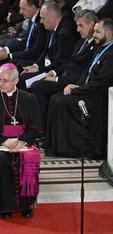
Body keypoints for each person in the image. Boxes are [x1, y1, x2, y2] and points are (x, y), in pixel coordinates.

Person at [0, 64, 43, 219]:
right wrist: (4, 141)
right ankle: (3, 205)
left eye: (5, 81)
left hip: (24, 142)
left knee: (27, 159)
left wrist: (21, 142)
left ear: (16, 81)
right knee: (1, 160)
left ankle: (26, 204)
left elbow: (36, 126)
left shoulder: (29, 99)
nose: (1, 84)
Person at [46, 18, 113, 160]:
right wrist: (75, 85)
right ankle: (53, 145)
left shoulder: (111, 54)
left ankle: (72, 149)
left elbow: (101, 83)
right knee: (56, 98)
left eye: (97, 32)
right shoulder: (100, 49)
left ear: (109, 33)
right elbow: (86, 73)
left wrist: (77, 90)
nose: (93, 34)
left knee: (62, 102)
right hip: (88, 91)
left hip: (99, 98)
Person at [30, 10, 98, 128]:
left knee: (38, 86)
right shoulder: (82, 41)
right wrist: (53, 72)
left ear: (91, 24)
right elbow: (70, 62)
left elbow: (83, 73)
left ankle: (41, 129)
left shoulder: (96, 46)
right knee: (34, 82)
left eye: (80, 25)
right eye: (77, 25)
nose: (77, 29)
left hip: (73, 82)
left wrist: (56, 79)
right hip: (65, 76)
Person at [19, 2, 77, 90]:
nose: (41, 22)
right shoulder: (51, 27)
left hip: (57, 70)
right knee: (22, 67)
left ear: (52, 18)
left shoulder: (65, 32)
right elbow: (45, 51)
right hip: (48, 65)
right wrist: (35, 66)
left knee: (25, 78)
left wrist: (39, 70)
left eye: (42, 18)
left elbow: (60, 62)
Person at [0, 0, 47, 72]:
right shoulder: (32, 19)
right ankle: (0, 76)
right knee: (4, 50)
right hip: (28, 51)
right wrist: (6, 50)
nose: (20, 12)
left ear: (33, 7)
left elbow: (35, 51)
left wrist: (8, 55)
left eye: (23, 9)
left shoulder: (41, 23)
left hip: (36, 56)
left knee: (12, 62)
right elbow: (25, 42)